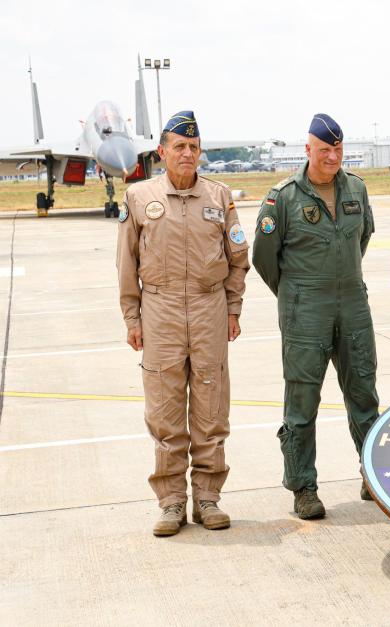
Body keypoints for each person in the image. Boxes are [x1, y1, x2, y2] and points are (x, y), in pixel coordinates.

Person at [116, 111, 249, 536]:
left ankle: (207, 498)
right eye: (179, 147)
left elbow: (237, 260)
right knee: (165, 410)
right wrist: (132, 317)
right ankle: (171, 502)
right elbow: (126, 265)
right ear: (163, 152)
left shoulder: (219, 196)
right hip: (161, 311)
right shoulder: (139, 198)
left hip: (210, 310)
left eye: (193, 147)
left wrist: (233, 309)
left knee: (211, 407)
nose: (187, 153)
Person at [252, 113, 379, 520]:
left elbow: (363, 238)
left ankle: (371, 475)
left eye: (338, 149)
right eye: (325, 149)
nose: (333, 156)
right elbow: (264, 259)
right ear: (308, 150)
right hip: (305, 312)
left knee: (363, 394)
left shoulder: (356, 188)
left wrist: (339, 283)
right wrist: (298, 294)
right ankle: (303, 486)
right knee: (303, 402)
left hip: (353, 307)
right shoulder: (283, 198)